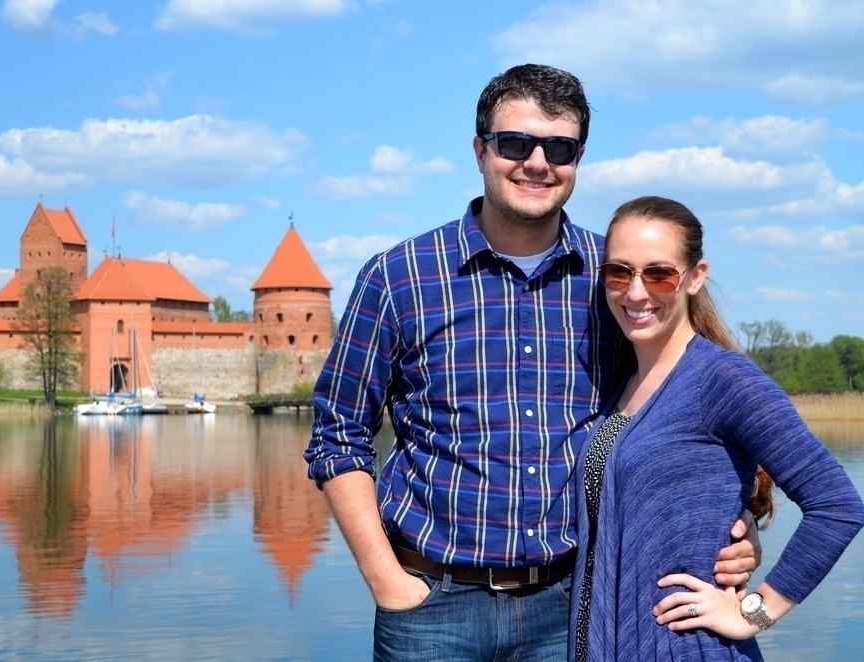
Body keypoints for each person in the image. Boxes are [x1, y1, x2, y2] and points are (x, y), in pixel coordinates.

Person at [305, 64, 760, 661]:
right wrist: (386, 580)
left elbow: (700, 410)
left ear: (578, 158)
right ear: (480, 150)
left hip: (574, 601)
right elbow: (338, 434)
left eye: (560, 147)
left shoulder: (618, 278)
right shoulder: (400, 278)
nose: (537, 162)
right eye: (515, 143)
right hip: (430, 605)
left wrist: (737, 523)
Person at [568, 195, 864, 661]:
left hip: (688, 649)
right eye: (619, 272)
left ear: (695, 277)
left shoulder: (723, 379)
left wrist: (751, 613)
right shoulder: (624, 384)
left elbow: (838, 507)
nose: (636, 292)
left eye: (659, 273)